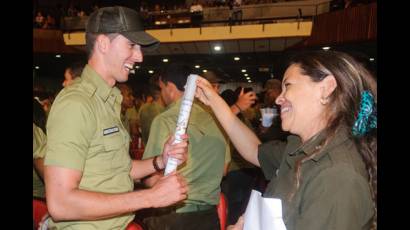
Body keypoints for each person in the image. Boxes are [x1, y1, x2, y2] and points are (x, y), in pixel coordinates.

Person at [195, 50, 377, 230]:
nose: (279, 99)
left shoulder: (337, 177)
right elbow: (254, 151)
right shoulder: (305, 149)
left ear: (326, 88)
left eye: (288, 86)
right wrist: (214, 100)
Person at [44, 6, 189, 229]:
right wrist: (150, 197)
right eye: (131, 45)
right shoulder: (76, 104)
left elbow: (118, 169)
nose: (139, 57)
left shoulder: (108, 100)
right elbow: (60, 204)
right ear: (103, 43)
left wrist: (160, 160)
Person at [141, 64, 231, 230]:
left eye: (162, 89)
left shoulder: (165, 120)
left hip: (173, 217)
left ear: (169, 87)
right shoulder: (217, 121)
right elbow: (224, 169)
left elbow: (149, 177)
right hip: (208, 218)